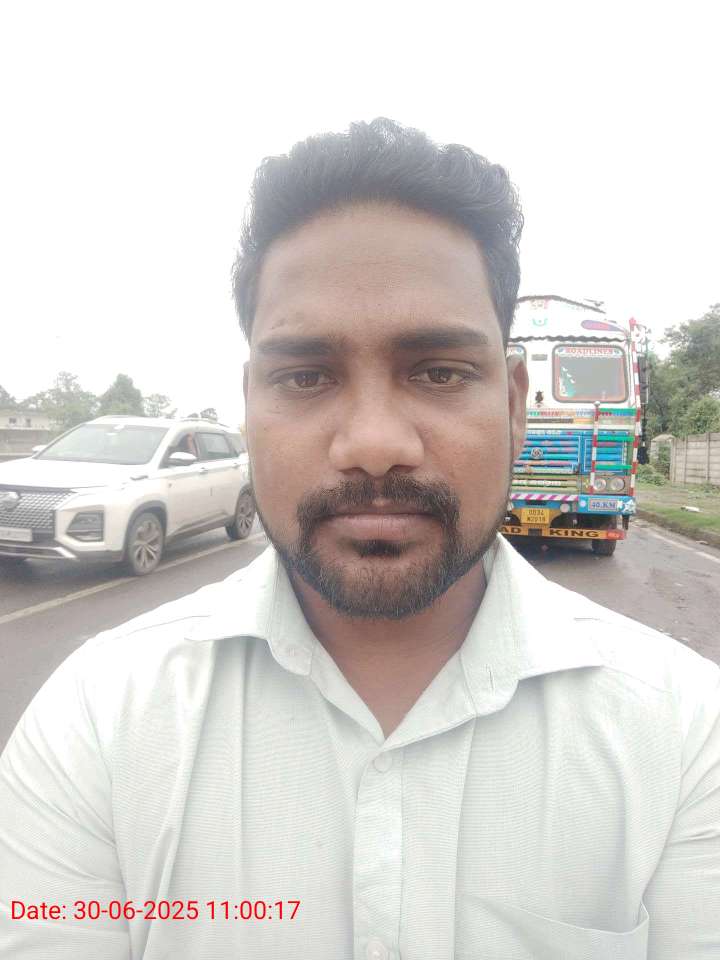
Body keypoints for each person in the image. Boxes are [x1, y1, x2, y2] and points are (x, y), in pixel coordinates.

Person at [1, 119, 718, 960]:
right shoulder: (98, 716)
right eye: (306, 376)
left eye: (439, 372)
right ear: (249, 408)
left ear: (513, 404)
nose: (375, 444)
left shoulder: (684, 735)